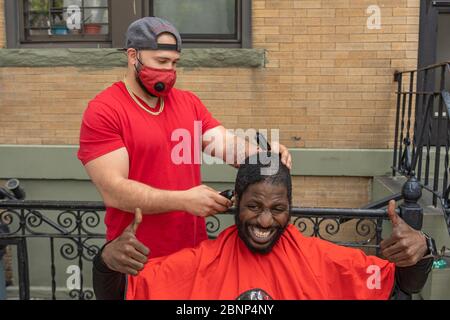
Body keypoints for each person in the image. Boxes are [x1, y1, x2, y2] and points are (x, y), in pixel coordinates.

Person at [77, 16, 292, 270]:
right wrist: (183, 200)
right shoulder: (104, 110)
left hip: (192, 257)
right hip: (136, 260)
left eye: (174, 63)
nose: (169, 71)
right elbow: (113, 190)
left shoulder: (188, 103)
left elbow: (226, 145)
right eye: (161, 61)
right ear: (133, 56)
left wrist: (264, 155)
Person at [92, 153, 433, 300]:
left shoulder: (319, 260)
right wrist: (106, 261)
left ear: (290, 209)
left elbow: (401, 286)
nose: (265, 220)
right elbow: (124, 292)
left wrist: (422, 249)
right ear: (236, 202)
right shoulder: (200, 263)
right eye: (254, 206)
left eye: (277, 209)